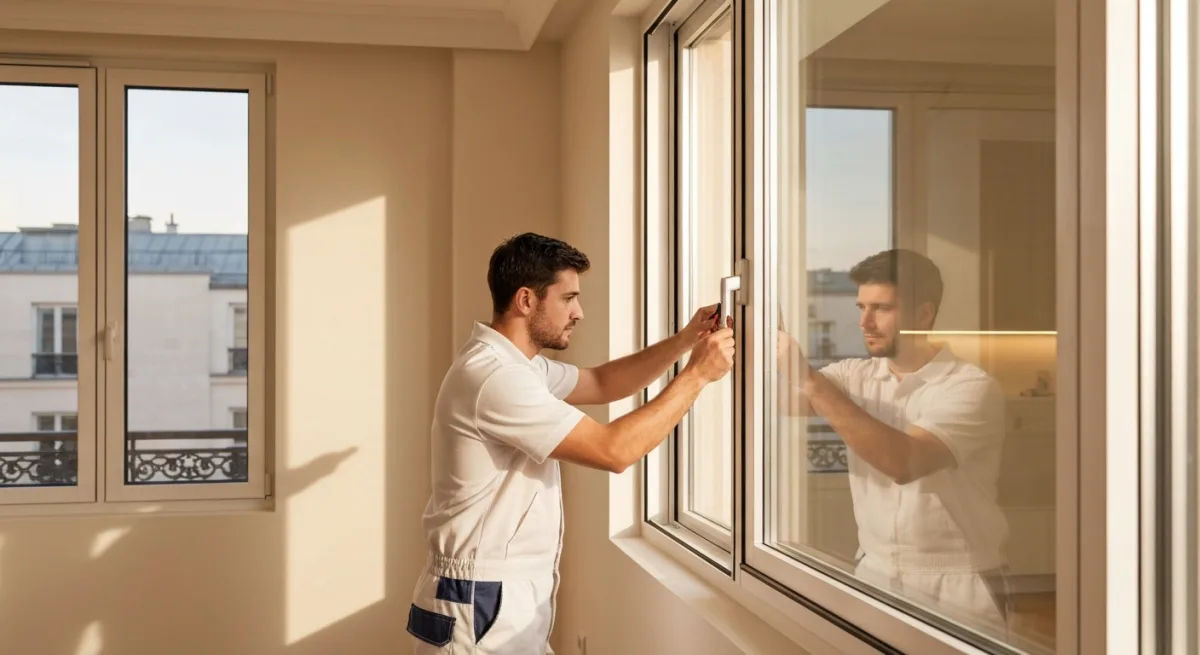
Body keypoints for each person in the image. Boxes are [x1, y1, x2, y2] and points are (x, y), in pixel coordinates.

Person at [408, 232, 735, 654]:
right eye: (568, 298)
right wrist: (697, 376)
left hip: (496, 592)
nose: (579, 312)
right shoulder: (496, 378)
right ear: (526, 300)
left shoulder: (517, 366)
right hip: (480, 597)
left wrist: (685, 340)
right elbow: (613, 451)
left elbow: (601, 383)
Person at [777, 249, 1010, 630]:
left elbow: (905, 463)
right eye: (861, 307)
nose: (864, 322)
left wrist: (807, 377)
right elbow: (779, 403)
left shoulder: (971, 388)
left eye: (881, 308)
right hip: (875, 570)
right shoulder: (854, 375)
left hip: (961, 582)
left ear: (923, 314)